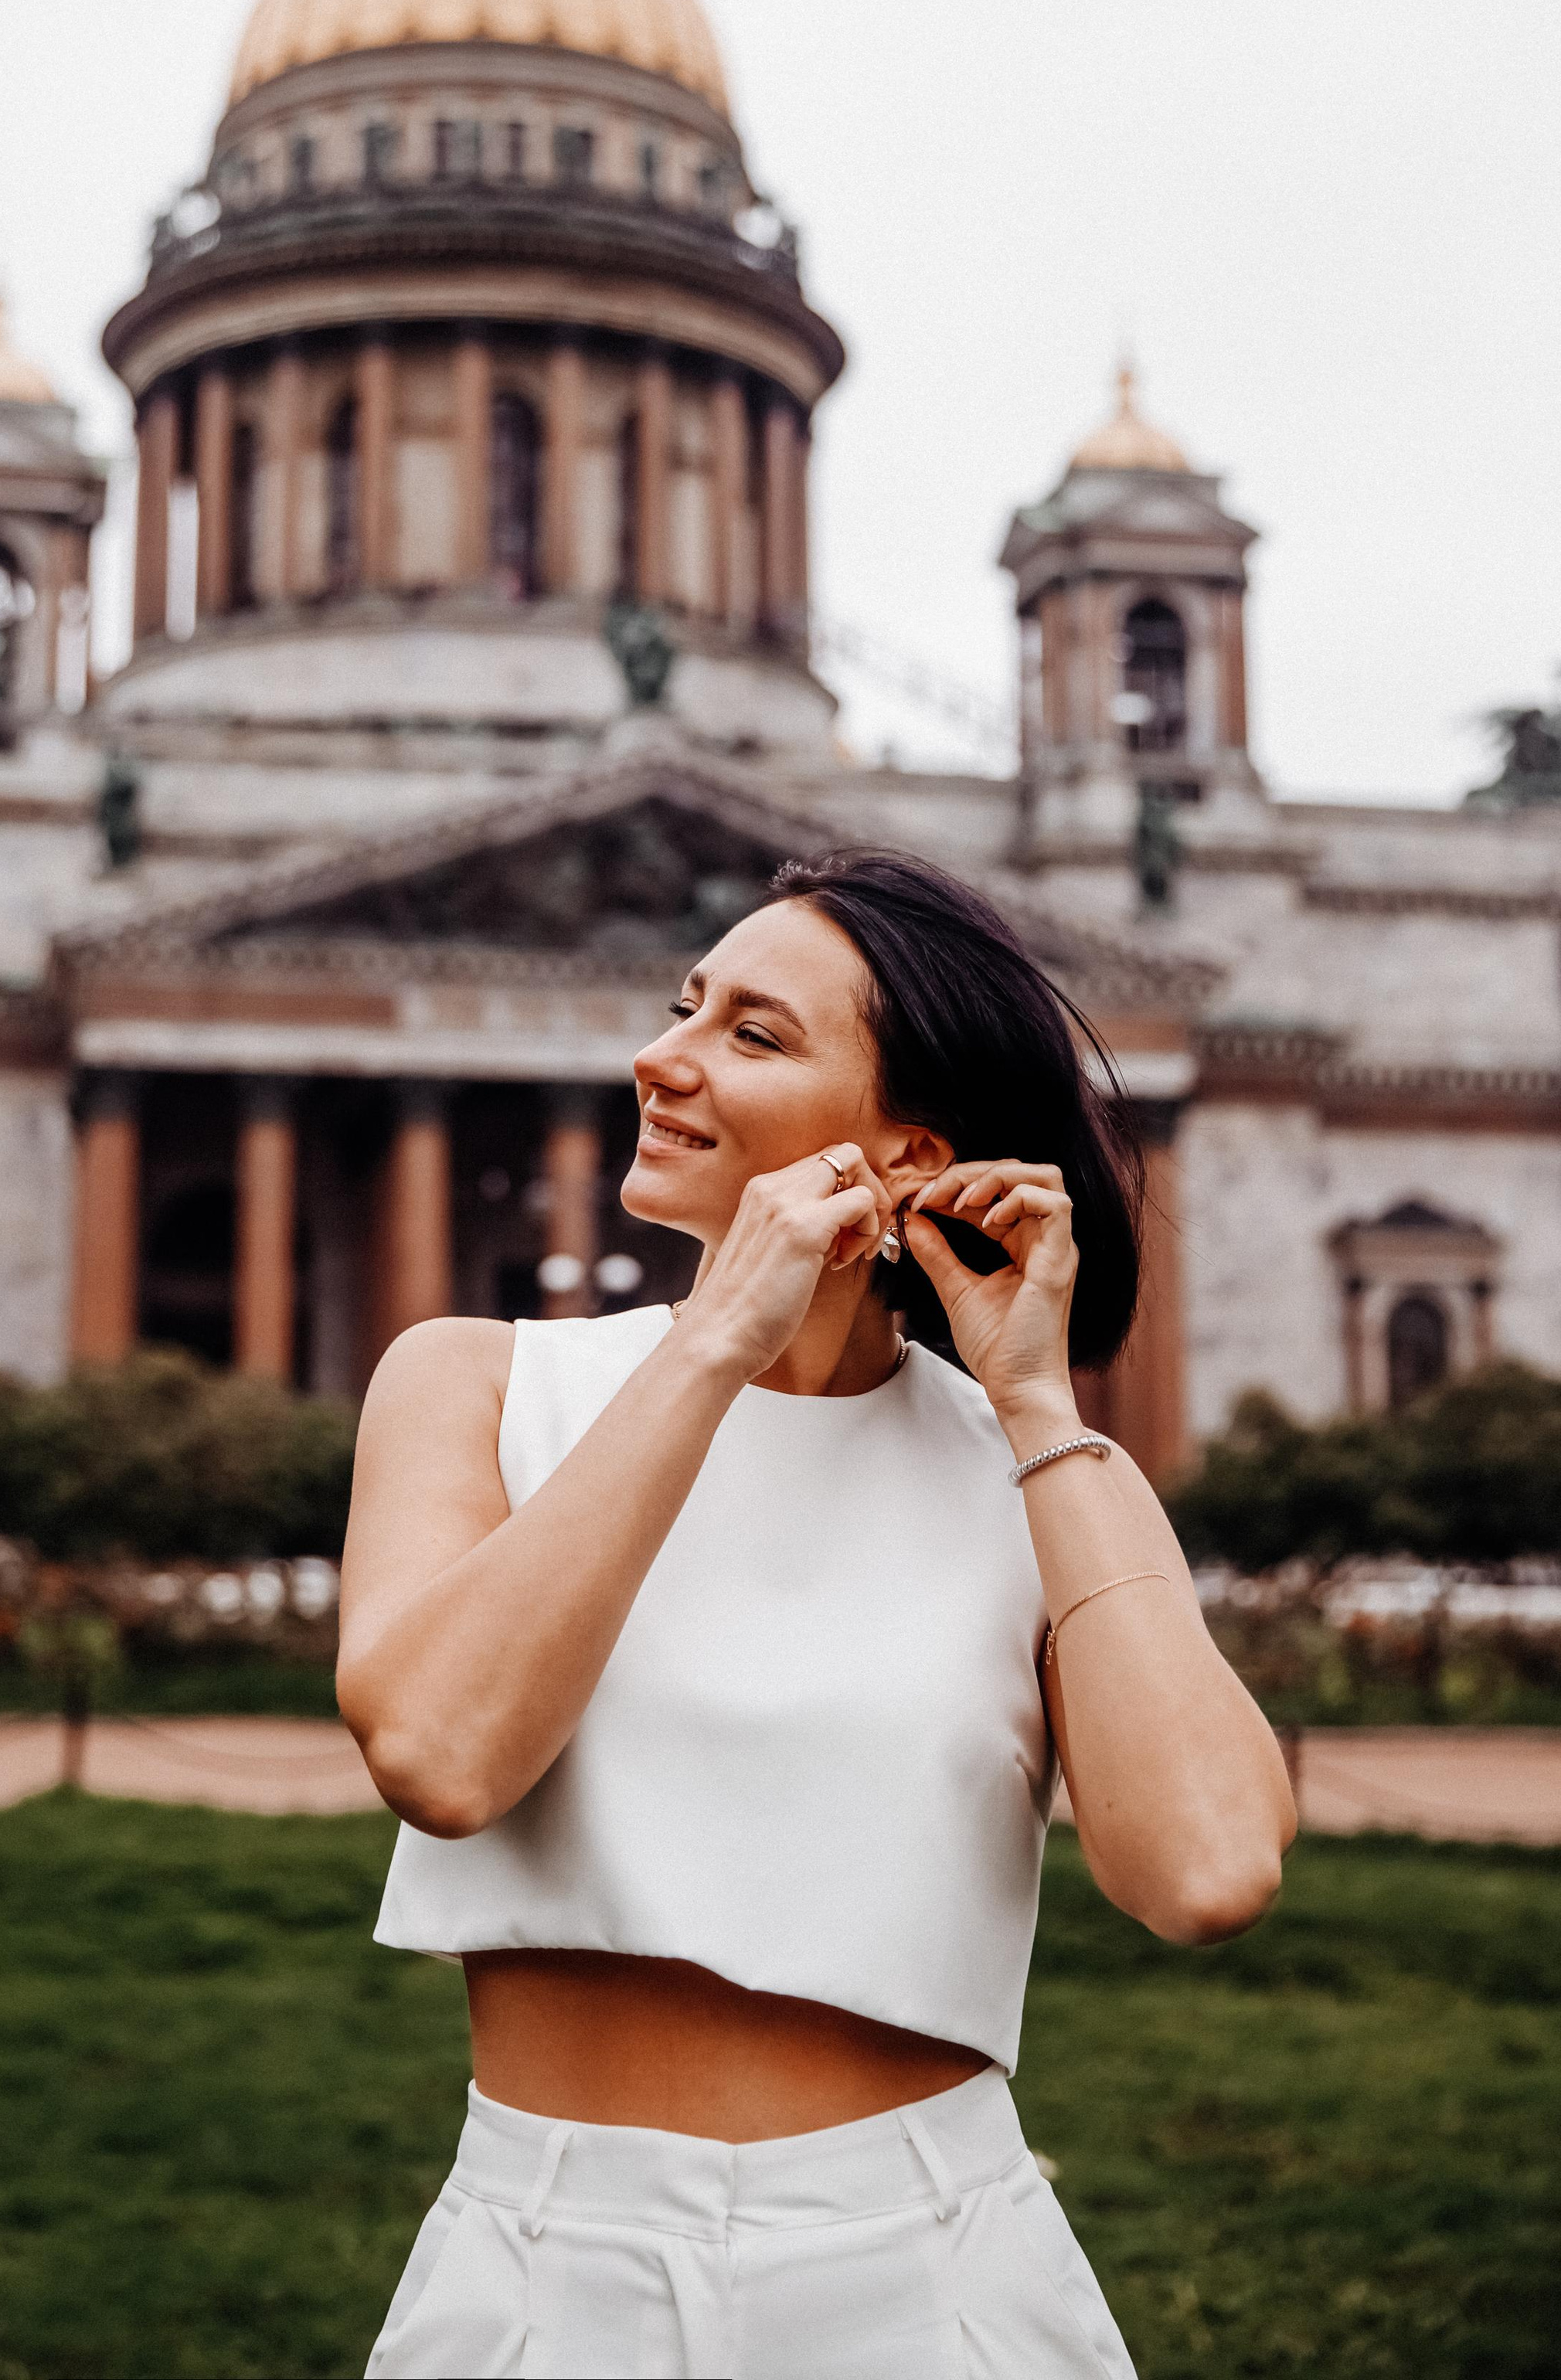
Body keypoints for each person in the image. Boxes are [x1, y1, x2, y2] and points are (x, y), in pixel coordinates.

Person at [339, 848, 1295, 2378]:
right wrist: (718, 1333)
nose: (659, 1059)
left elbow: (1203, 1869)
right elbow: (442, 1756)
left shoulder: (1035, 1476)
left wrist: (1038, 1402)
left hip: (932, 2267)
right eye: (681, 1009)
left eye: (750, 1034)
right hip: (539, 2266)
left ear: (905, 1150)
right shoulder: (477, 1383)